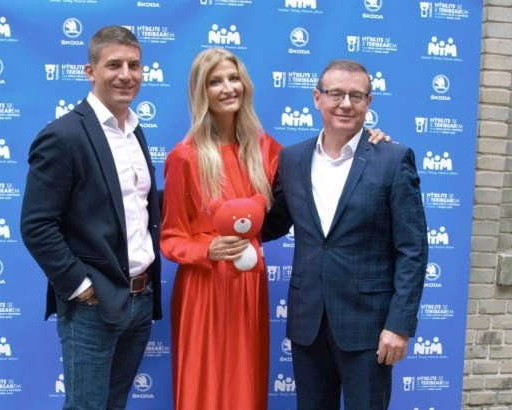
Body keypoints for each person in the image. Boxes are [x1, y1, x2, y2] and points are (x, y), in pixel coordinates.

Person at [263, 59, 428, 410]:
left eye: (357, 95)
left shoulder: (393, 158)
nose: (346, 104)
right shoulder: (292, 159)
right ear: (317, 98)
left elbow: (412, 250)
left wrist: (399, 325)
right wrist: (219, 226)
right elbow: (274, 222)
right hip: (308, 324)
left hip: (369, 328)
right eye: (336, 93)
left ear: (369, 102)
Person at [20, 26, 162, 410]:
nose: (126, 75)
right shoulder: (63, 135)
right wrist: (82, 286)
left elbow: (132, 207)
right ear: (90, 71)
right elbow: (36, 224)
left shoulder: (134, 132)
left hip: (140, 300)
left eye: (134, 65)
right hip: (93, 306)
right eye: (114, 65)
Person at [160, 48, 281, 410]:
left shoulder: (265, 149)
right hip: (203, 288)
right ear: (202, 92)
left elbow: (319, 164)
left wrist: (369, 139)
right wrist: (206, 250)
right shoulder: (184, 156)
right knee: (204, 387)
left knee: (245, 385)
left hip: (249, 287)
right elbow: (170, 237)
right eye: (215, 82)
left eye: (233, 78)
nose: (228, 88)